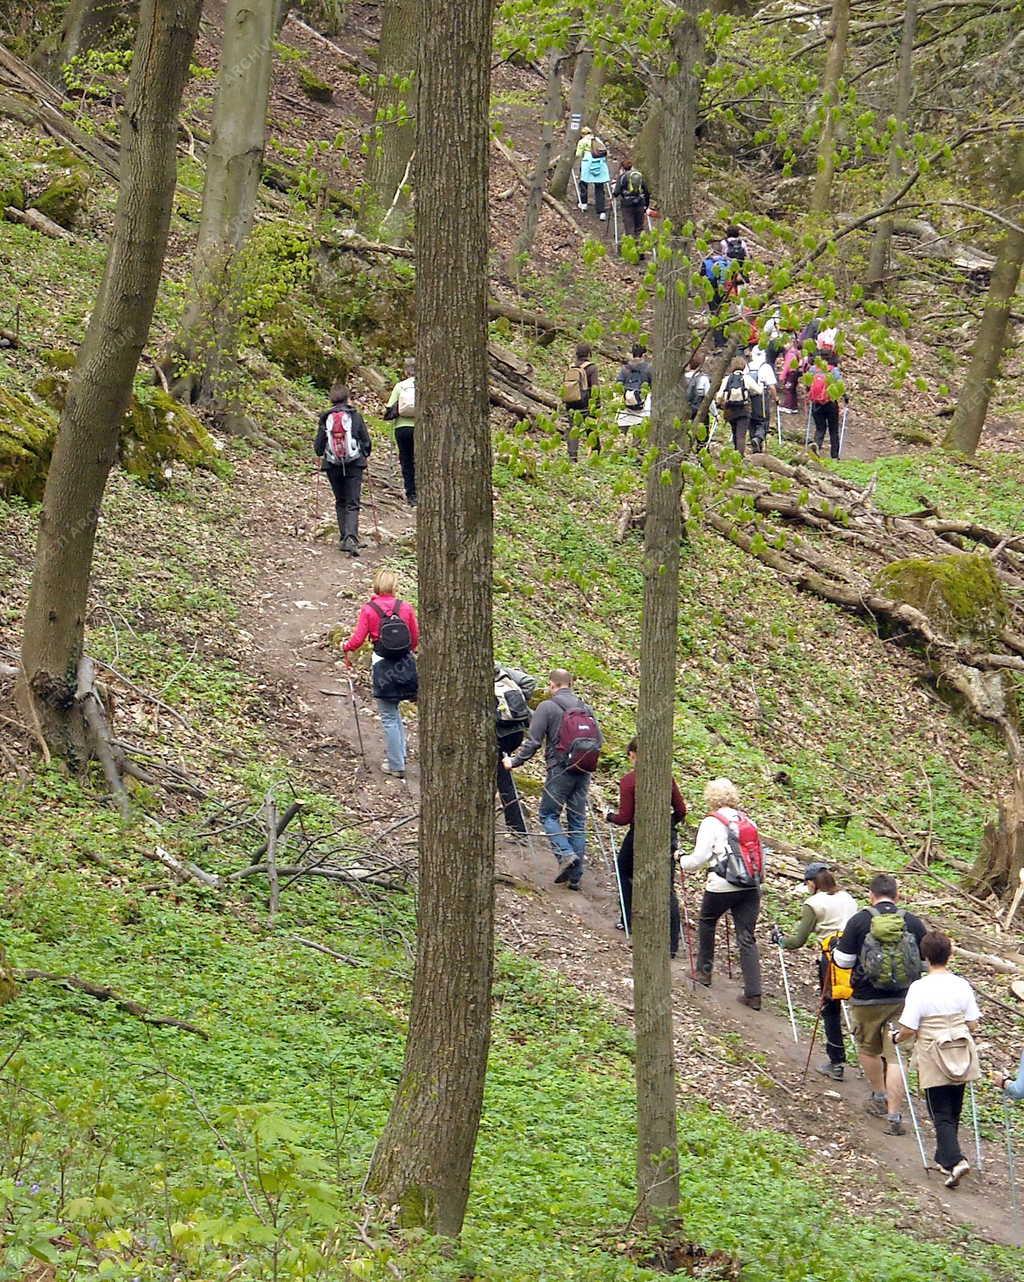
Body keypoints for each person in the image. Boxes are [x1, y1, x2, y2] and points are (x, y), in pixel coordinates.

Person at [833, 873, 927, 1136]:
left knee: (869, 1048)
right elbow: (924, 963)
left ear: (871, 896)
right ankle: (895, 1114)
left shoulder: (860, 920)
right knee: (897, 1055)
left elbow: (843, 961)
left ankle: (878, 1095)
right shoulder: (912, 921)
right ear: (897, 896)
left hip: (866, 999)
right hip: (904, 999)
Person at [503, 669, 603, 891]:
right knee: (577, 821)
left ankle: (566, 855)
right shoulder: (586, 708)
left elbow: (534, 742)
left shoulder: (547, 707)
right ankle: (575, 878)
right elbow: (599, 741)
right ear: (571, 683)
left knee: (548, 814)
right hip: (583, 770)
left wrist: (514, 762)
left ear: (552, 685)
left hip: (559, 770)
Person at [895, 931, 981, 1187]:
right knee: (954, 1107)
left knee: (939, 1111)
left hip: (933, 1051)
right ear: (950, 955)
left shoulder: (920, 988)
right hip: (960, 1050)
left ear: (925, 956)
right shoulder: (961, 984)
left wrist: (896, 1039)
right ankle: (944, 1159)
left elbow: (909, 1027)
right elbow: (973, 1023)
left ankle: (956, 1160)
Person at [678, 778, 764, 1009]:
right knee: (746, 937)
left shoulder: (712, 822)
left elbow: (699, 858)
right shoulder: (747, 820)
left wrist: (681, 859)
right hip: (750, 885)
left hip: (722, 884)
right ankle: (754, 994)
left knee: (707, 922)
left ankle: (704, 972)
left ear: (711, 798)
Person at [774, 863, 858, 1080]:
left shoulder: (814, 904)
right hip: (856, 956)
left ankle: (836, 1060)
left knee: (831, 1007)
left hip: (831, 959)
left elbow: (798, 940)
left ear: (812, 883)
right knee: (858, 1004)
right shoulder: (848, 898)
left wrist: (781, 941)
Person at [604, 737, 687, 954]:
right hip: (664, 835)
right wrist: (668, 824)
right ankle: (672, 943)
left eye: (630, 756)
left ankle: (628, 919)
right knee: (666, 886)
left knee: (624, 869)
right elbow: (681, 810)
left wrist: (609, 816)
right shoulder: (666, 777)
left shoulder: (629, 781)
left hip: (639, 834)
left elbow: (625, 817)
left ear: (634, 754)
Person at [342, 567, 419, 779]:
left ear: (376, 585)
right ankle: (399, 756)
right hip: (405, 664)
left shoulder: (369, 609)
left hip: (382, 666)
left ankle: (396, 764)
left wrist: (345, 647)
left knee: (388, 716)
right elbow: (414, 639)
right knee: (396, 715)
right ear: (394, 586)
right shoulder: (405, 607)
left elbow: (357, 640)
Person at [314, 384, 372, 557]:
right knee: (352, 502)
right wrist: (364, 453)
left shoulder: (326, 418)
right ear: (347, 398)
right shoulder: (355, 416)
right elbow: (366, 442)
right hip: (354, 464)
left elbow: (318, 448)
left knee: (340, 501)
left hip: (332, 465)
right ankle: (351, 539)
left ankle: (343, 538)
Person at [494, 661, 537, 844]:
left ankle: (518, 830)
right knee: (501, 777)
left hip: (499, 733)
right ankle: (517, 828)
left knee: (504, 781)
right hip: (517, 730)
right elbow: (529, 681)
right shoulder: (500, 669)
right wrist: (519, 706)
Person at [383, 357, 417, 507]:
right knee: (422, 460)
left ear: (406, 371)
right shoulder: (426, 385)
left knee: (407, 460)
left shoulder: (400, 386)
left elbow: (390, 408)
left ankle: (411, 494)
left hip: (402, 429)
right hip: (420, 428)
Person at [715, 355, 761, 456]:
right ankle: (739, 456)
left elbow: (719, 396)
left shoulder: (727, 379)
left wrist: (720, 403)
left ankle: (736, 452)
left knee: (735, 432)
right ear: (744, 366)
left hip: (730, 410)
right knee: (741, 435)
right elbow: (759, 390)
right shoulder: (746, 378)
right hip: (744, 409)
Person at [562, 341, 599, 461]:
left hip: (571, 403)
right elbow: (595, 387)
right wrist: (597, 403)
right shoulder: (592, 368)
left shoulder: (571, 367)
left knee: (573, 428)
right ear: (589, 353)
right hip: (586, 403)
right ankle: (595, 453)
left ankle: (572, 456)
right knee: (591, 428)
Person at [807, 355, 846, 459]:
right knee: (833, 430)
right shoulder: (834, 371)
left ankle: (815, 450)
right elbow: (840, 385)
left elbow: (807, 384)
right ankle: (834, 456)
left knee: (820, 428)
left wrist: (810, 395)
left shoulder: (813, 369)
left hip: (816, 403)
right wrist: (845, 397)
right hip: (831, 402)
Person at [612, 156, 650, 245]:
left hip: (627, 205)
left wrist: (614, 195)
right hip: (640, 203)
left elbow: (617, 192)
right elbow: (646, 191)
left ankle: (631, 250)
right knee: (639, 228)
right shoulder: (639, 176)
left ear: (622, 168)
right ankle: (640, 251)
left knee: (630, 227)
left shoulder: (622, 177)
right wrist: (646, 205)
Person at [747, 349, 778, 453]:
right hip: (761, 397)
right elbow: (772, 386)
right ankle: (758, 438)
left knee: (752, 420)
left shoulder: (748, 366)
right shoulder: (766, 367)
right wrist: (775, 398)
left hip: (749, 397)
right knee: (763, 420)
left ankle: (754, 444)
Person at [576, 126, 610, 219]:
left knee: (584, 183)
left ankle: (584, 203)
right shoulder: (598, 140)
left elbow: (578, 154)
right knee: (599, 188)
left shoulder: (582, 141)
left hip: (588, 164)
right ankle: (601, 211)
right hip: (599, 165)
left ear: (582, 134)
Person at [616, 343, 653, 410]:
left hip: (626, 404)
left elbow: (618, 384)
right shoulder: (648, 368)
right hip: (644, 406)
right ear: (644, 355)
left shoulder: (625, 368)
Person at [778, 336, 802, 413]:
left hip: (791, 373)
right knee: (793, 390)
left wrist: (782, 376)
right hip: (795, 373)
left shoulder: (790, 354)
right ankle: (794, 406)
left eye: (786, 344)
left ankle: (788, 406)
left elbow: (787, 366)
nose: (785, 346)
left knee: (788, 389)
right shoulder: (795, 352)